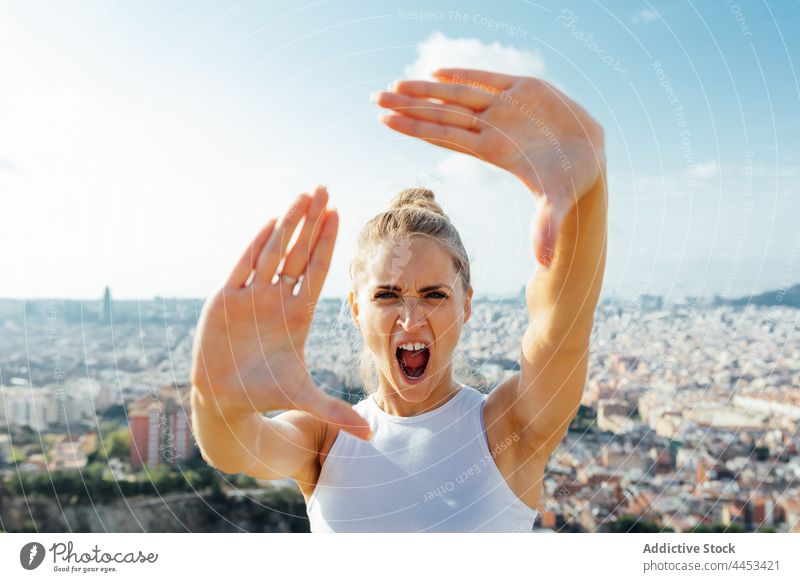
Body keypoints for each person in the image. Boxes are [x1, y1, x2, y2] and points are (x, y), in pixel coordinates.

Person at [190, 68, 607, 532]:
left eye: (434, 295)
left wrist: (585, 192)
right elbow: (234, 445)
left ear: (466, 305)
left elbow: (560, 332)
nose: (411, 320)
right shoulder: (325, 439)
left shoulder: (506, 429)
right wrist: (216, 396)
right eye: (387, 294)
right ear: (355, 308)